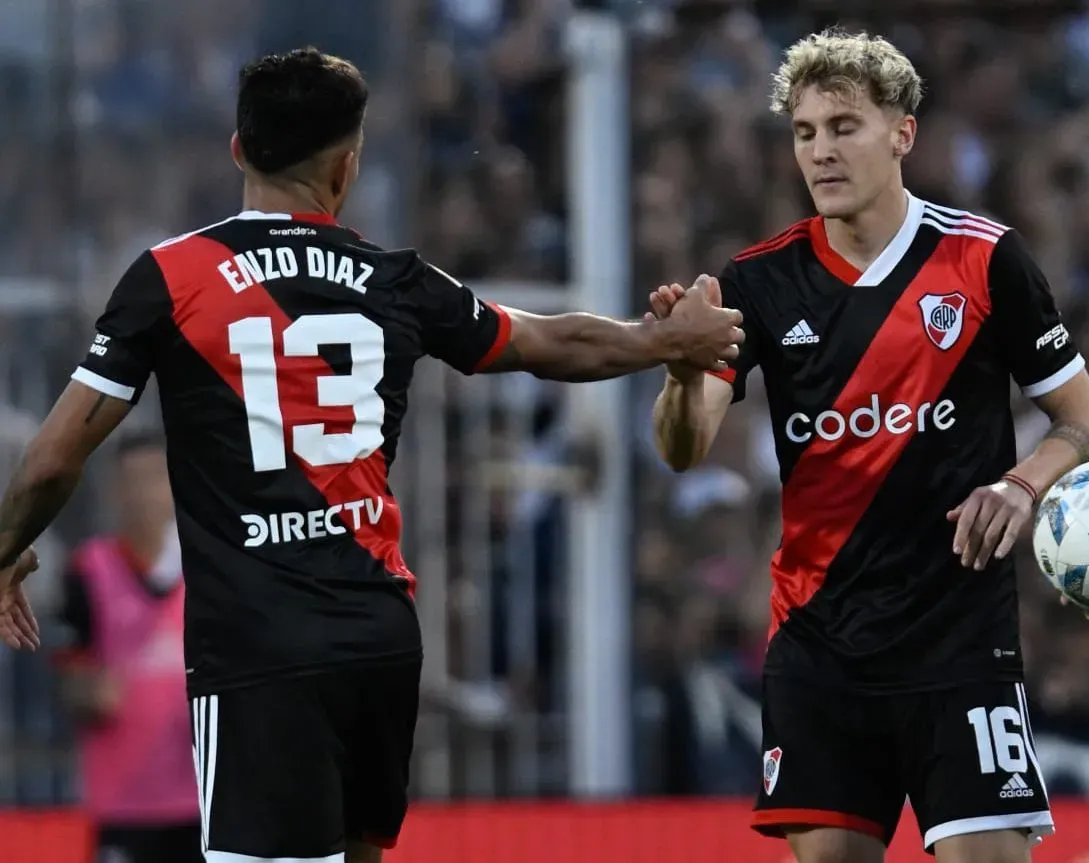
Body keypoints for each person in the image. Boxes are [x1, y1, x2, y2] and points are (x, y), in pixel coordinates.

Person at [0, 48, 742, 863]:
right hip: (377, 637)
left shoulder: (173, 277)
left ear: (239, 148)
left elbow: (51, 460)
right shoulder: (393, 278)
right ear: (347, 166)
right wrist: (664, 339)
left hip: (260, 644)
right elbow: (547, 340)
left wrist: (3, 550)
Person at [650, 28, 1089, 863]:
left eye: (843, 127)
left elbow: (1085, 420)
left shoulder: (985, 260)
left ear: (902, 132)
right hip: (822, 644)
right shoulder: (756, 281)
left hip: (960, 641)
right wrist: (684, 373)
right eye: (804, 132)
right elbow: (685, 448)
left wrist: (1021, 483)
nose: (821, 151)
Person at [53, 432, 202, 863]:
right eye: (132, 481)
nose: (144, 493)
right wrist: (90, 695)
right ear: (116, 491)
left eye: (155, 478)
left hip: (205, 800)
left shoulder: (208, 567)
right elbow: (71, 679)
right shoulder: (88, 571)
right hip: (125, 805)